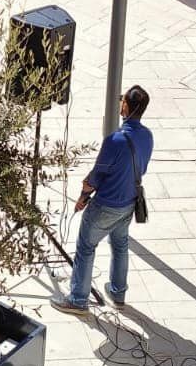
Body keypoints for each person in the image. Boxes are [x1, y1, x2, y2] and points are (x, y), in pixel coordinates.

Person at [53, 85, 152, 314]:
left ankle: (78, 300)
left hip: (105, 205)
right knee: (120, 245)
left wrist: (83, 197)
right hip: (129, 202)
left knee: (86, 247)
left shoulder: (115, 140)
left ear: (126, 106)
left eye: (122, 100)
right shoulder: (148, 136)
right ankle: (118, 293)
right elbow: (142, 168)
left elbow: (96, 176)